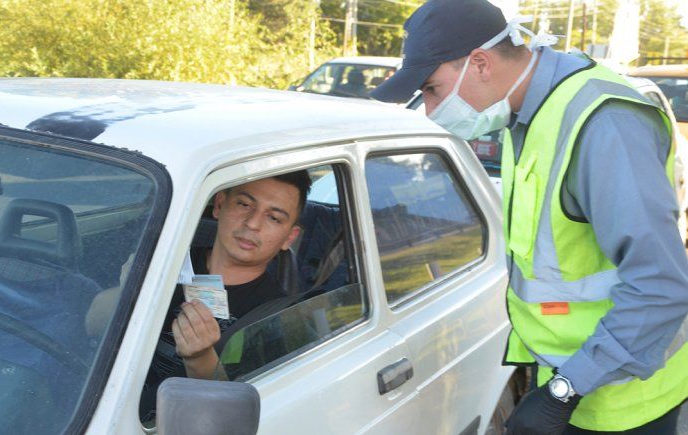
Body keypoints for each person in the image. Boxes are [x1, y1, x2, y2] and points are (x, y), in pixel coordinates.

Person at [372, 0, 688, 434]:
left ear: (480, 63)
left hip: (624, 401)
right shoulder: (529, 110)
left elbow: (661, 284)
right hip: (577, 383)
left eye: (432, 89)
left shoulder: (604, 124)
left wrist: (564, 392)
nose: (430, 109)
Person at [139, 171, 311, 422]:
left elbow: (233, 420)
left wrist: (200, 358)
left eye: (274, 217)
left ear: (289, 238)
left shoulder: (280, 320)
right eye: (244, 204)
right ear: (219, 205)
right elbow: (92, 325)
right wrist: (130, 290)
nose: (253, 223)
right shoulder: (166, 261)